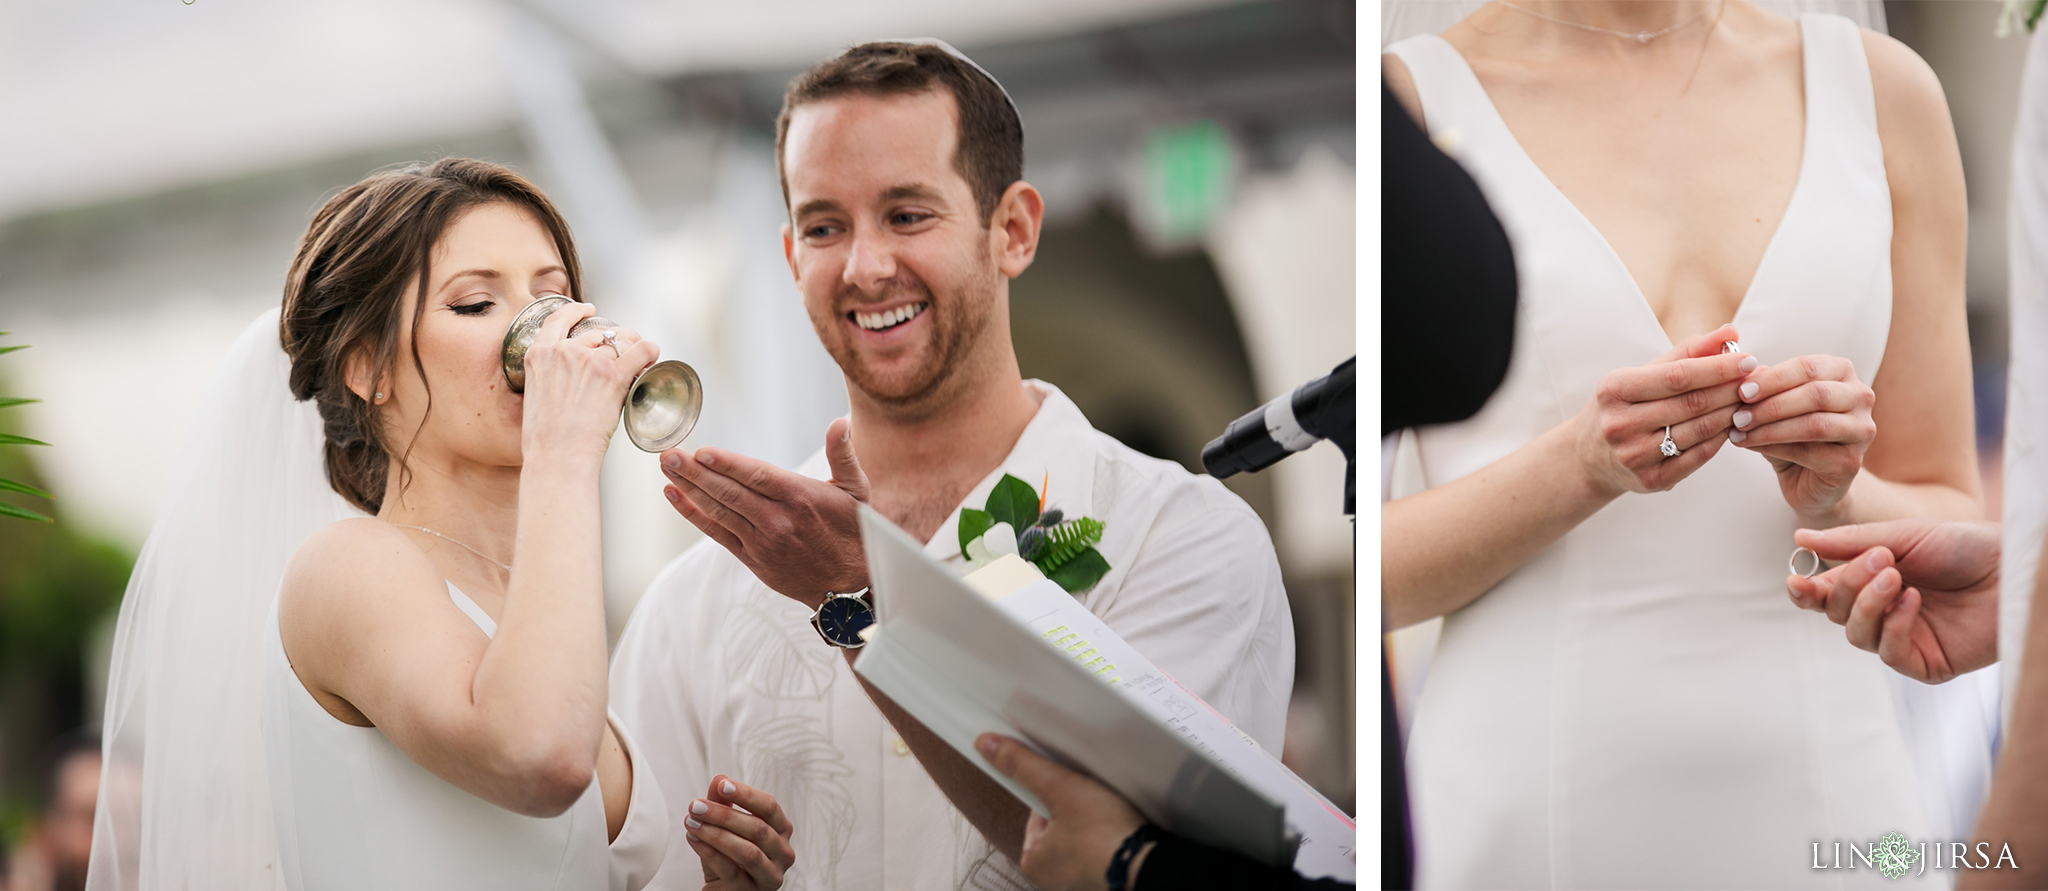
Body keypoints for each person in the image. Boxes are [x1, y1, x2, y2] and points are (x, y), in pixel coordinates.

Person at [608, 40, 1297, 890]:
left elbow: (1154, 867)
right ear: (792, 259)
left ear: (1012, 230)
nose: (865, 266)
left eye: (907, 214)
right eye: (825, 226)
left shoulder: (1178, 538)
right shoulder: (695, 604)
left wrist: (861, 603)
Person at [1381, 1, 1986, 886]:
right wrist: (1581, 465)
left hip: (1831, 789)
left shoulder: (1885, 94)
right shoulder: (1412, 106)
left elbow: (1950, 504)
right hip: (1531, 799)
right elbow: (1374, 571)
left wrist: (1838, 494)